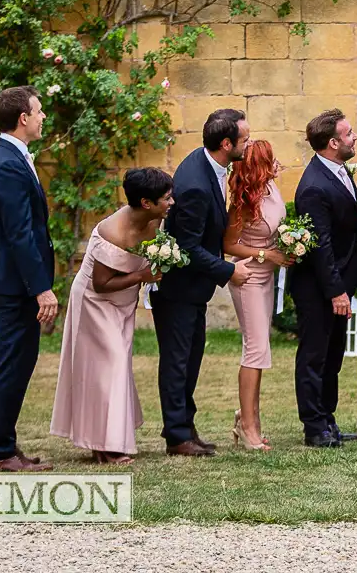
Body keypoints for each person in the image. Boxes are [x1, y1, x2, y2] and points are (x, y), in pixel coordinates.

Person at [50, 168, 173, 464]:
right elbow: (100, 284)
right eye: (167, 198)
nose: (172, 202)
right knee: (107, 367)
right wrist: (143, 274)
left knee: (114, 368)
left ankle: (107, 437)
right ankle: (105, 446)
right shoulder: (112, 232)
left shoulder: (156, 218)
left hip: (123, 301)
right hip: (95, 302)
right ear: (146, 202)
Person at [151, 109, 251, 457]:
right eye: (244, 140)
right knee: (178, 362)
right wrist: (228, 271)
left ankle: (185, 428)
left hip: (191, 290)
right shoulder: (195, 184)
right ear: (226, 144)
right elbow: (187, 246)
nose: (248, 144)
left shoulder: (209, 164)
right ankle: (177, 435)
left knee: (190, 359)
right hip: (178, 289)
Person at [0, 85, 57, 472]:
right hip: (14, 283)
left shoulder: (11, 156)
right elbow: (19, 233)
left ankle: (5, 446)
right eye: (39, 111)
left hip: (13, 280)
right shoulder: (7, 163)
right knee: (11, 363)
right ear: (23, 118)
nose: (44, 117)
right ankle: (0, 452)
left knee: (18, 361)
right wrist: (41, 288)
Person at [290, 109, 357, 448]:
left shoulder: (338, 172)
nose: (355, 137)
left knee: (333, 355)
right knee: (315, 356)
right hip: (317, 287)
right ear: (333, 143)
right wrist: (336, 290)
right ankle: (313, 426)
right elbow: (320, 245)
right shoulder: (313, 186)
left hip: (341, 279)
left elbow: (346, 232)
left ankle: (328, 419)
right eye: (349, 134)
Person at [225, 140, 293, 452]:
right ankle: (248, 426)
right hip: (248, 277)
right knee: (254, 350)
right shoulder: (242, 202)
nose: (277, 163)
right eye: (271, 160)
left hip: (267, 277)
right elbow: (230, 245)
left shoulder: (270, 191)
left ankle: (249, 416)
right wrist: (269, 255)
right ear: (259, 167)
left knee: (261, 350)